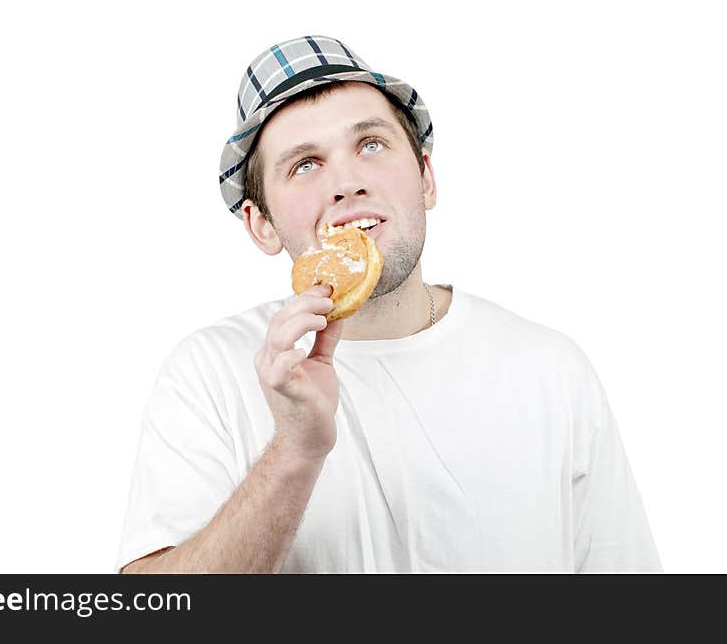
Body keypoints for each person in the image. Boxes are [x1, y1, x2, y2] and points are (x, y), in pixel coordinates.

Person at [115, 35, 662, 573]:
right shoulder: (208, 373)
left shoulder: (551, 370)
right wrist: (293, 453)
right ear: (261, 224)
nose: (346, 183)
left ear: (425, 176)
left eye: (371, 144)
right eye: (304, 164)